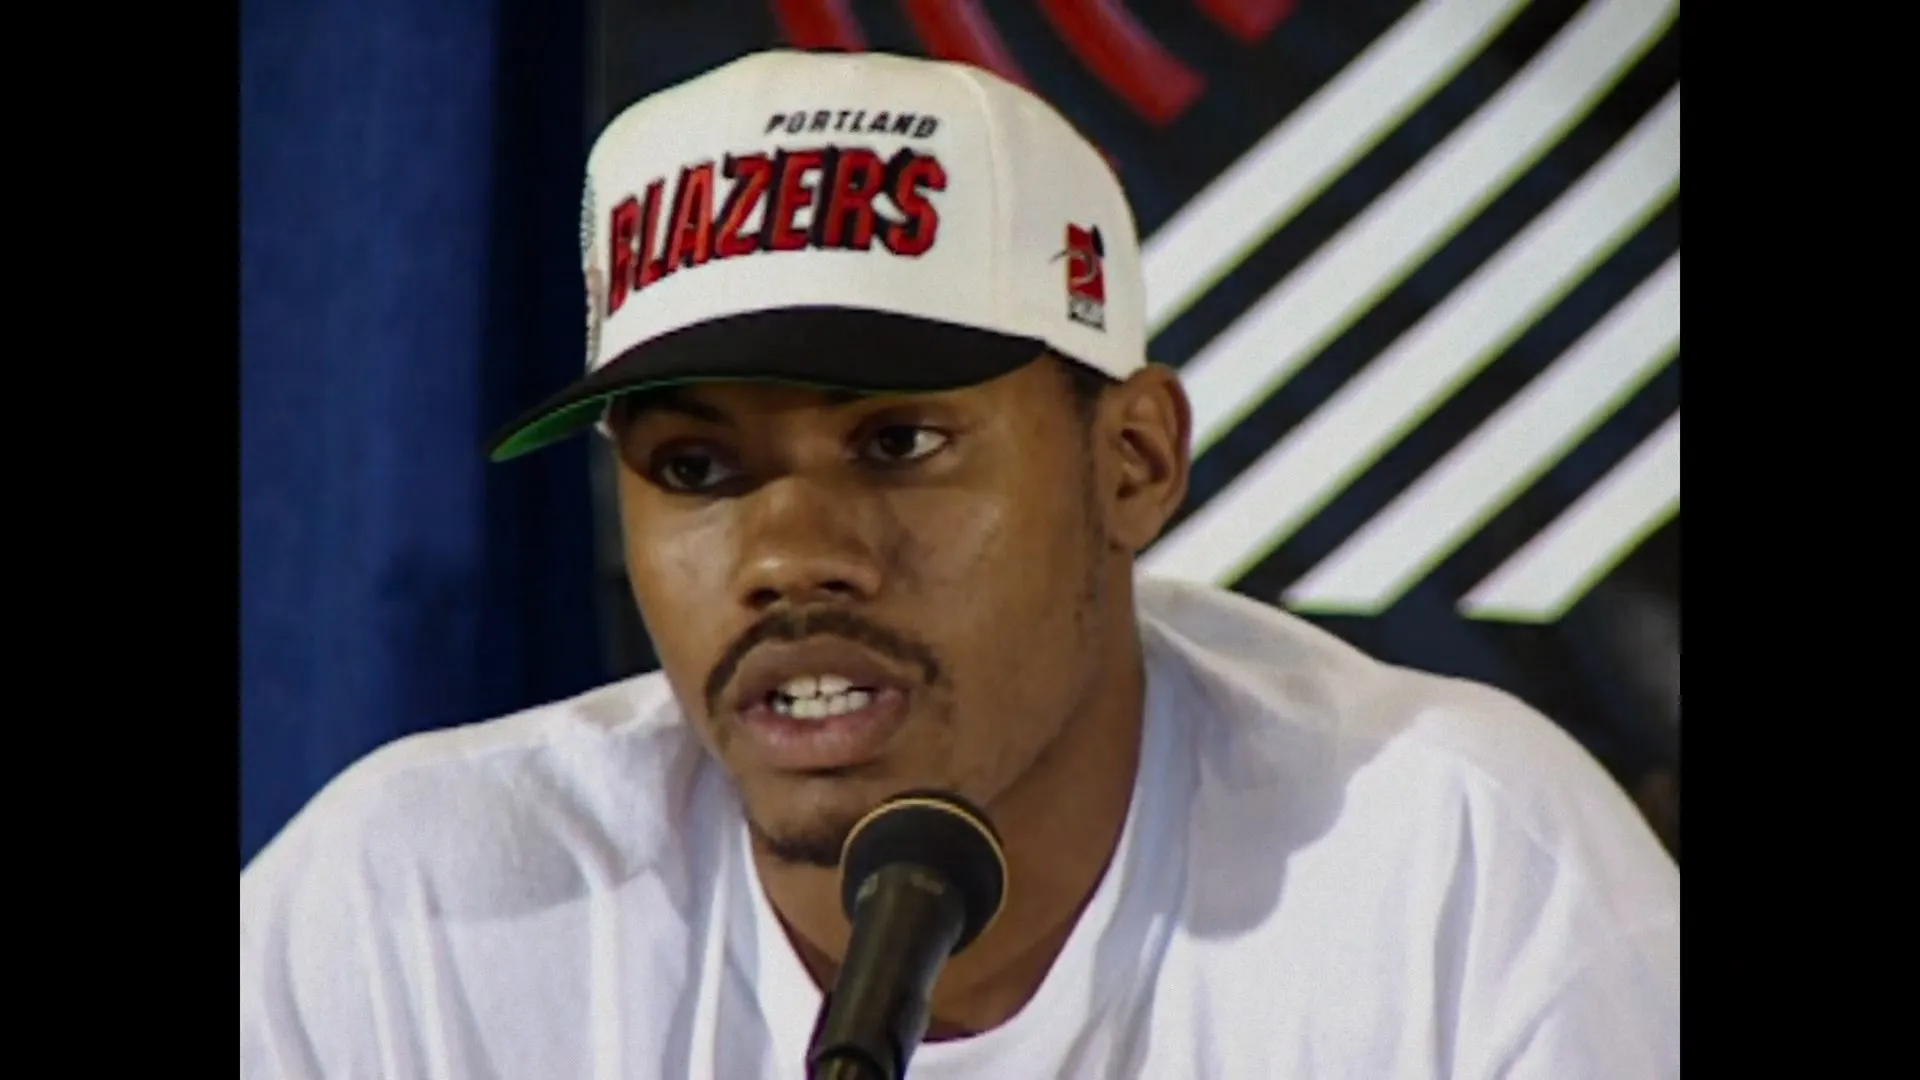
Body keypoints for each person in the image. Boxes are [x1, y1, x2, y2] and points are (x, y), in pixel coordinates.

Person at [239, 48, 1679, 1079]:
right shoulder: (412, 911)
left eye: (899, 443)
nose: (789, 557)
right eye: (694, 470)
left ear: (1132, 463)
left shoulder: (1462, 869)